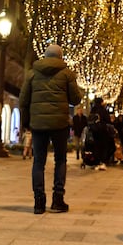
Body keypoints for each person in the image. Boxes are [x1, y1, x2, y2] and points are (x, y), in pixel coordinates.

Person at [19, 44, 82, 214]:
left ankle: (39, 202)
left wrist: (26, 122)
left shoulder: (32, 73)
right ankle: (57, 200)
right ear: (61, 57)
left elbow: (23, 100)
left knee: (38, 161)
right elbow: (76, 99)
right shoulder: (67, 74)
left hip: (38, 123)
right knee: (60, 160)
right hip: (59, 124)